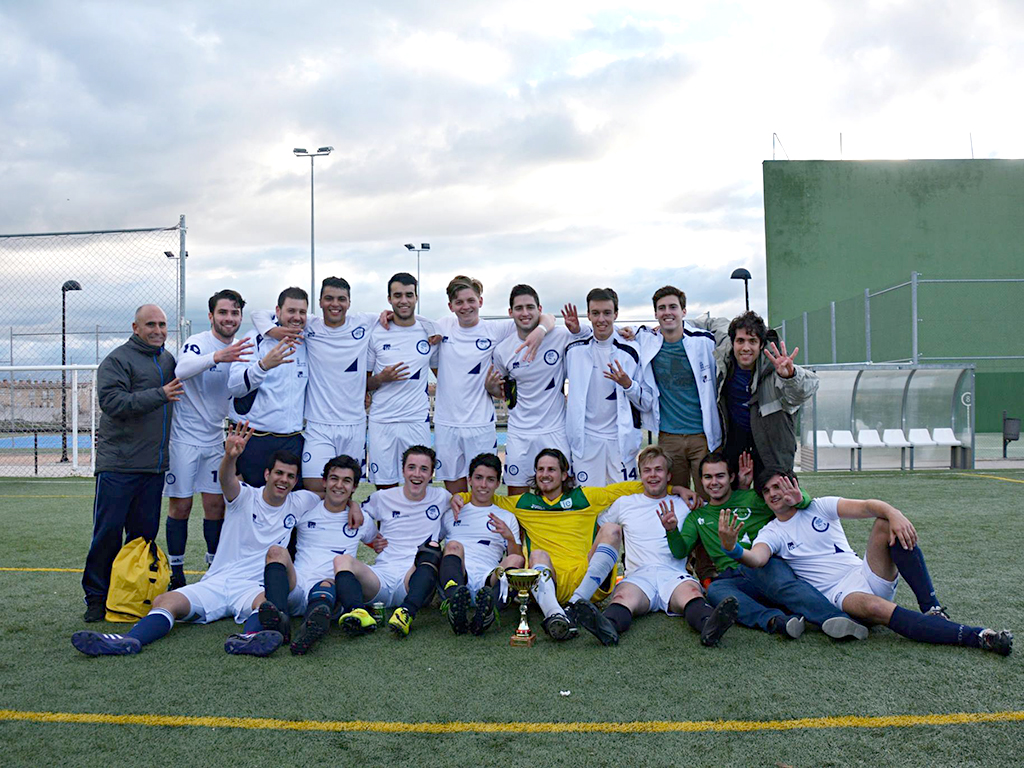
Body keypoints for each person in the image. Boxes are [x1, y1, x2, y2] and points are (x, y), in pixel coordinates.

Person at [71, 422, 321, 657]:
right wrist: (231, 456)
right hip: (217, 580)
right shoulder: (244, 496)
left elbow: (331, 499)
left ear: (295, 481)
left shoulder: (300, 502)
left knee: (266, 606)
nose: (283, 480)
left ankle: (249, 638)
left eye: (290, 476)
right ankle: (130, 640)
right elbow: (226, 479)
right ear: (267, 474)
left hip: (252, 587)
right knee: (165, 601)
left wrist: (352, 507)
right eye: (279, 473)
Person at [719, 469, 1013, 656]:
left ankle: (932, 609)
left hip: (863, 571)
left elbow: (869, 507)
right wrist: (733, 549)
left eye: (777, 486)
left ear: (792, 484)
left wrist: (894, 513)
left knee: (885, 523)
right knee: (874, 608)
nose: (773, 494)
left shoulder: (819, 505)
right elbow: (756, 558)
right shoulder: (771, 532)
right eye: (767, 491)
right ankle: (979, 636)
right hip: (840, 594)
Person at [450, 447, 698, 640]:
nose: (545, 474)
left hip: (587, 577)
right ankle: (557, 616)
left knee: (611, 530)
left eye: (551, 469)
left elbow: (629, 488)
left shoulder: (585, 497)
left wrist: (674, 488)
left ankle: (577, 603)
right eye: (540, 469)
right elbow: (486, 496)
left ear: (565, 474)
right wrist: (461, 496)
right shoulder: (523, 503)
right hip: (547, 581)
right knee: (536, 554)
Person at [660, 452, 867, 640]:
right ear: (701, 481)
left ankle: (839, 620)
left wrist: (800, 498)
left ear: (731, 477)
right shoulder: (698, 517)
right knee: (715, 590)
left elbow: (798, 499)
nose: (714, 482)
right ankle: (778, 621)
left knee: (781, 582)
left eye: (720, 476)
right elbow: (680, 551)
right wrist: (671, 530)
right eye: (708, 477)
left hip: (763, 565)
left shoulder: (753, 498)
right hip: (732, 577)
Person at [571, 447, 739, 647]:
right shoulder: (624, 503)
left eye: (658, 470)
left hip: (674, 574)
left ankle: (710, 627)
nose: (653, 475)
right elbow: (602, 529)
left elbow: (714, 508)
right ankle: (608, 627)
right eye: (647, 470)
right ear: (640, 475)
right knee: (623, 597)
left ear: (669, 475)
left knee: (692, 594)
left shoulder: (685, 503)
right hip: (639, 576)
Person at [81, 304, 182, 622]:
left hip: (153, 468)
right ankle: (96, 597)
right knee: (107, 533)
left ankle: (134, 595)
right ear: (135, 328)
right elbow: (111, 403)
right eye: (150, 324)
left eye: (163, 324)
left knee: (142, 538)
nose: (158, 330)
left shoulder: (167, 360)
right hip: (118, 467)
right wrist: (160, 394)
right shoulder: (117, 360)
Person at [251, 278, 381, 492]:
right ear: (320, 302)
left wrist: (432, 330)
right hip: (318, 425)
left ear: (349, 302)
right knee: (314, 488)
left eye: (341, 299)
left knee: (345, 490)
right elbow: (258, 314)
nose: (335, 304)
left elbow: (401, 316)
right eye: (329, 298)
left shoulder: (364, 322)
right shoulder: (309, 325)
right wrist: (272, 331)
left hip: (355, 424)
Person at [164, 289, 253, 589]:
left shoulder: (244, 347)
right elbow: (182, 369)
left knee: (216, 506)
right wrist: (217, 356)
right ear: (212, 315)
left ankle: (213, 567)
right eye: (223, 312)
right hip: (185, 439)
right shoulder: (198, 343)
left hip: (216, 437)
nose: (229, 318)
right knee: (181, 507)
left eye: (235, 313)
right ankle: (176, 571)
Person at [431, 275, 554, 493]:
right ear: (450, 306)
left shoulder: (496, 330)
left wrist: (540, 331)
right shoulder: (441, 326)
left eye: (471, 300)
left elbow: (546, 317)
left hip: (480, 425)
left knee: (483, 490)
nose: (465, 307)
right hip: (446, 424)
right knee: (456, 495)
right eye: (459, 302)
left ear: (480, 301)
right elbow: (409, 324)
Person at [251, 454, 382, 656]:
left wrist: (354, 506)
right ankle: (279, 620)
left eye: (346, 481)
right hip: (297, 584)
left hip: (330, 592)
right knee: (276, 551)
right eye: (334, 478)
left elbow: (378, 543)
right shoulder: (307, 507)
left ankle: (310, 628)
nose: (339, 485)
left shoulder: (361, 520)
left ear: (355, 487)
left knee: (327, 583)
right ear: (324, 481)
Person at [332, 446, 450, 637]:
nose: (417, 474)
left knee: (433, 547)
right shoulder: (383, 497)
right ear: (403, 470)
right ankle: (358, 612)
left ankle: (406, 613)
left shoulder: (442, 497)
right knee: (341, 560)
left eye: (424, 469)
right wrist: (353, 505)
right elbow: (360, 515)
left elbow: (464, 506)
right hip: (381, 577)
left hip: (413, 579)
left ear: (431, 475)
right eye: (411, 467)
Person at [563, 288, 652, 486]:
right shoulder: (574, 349)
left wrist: (628, 385)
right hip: (584, 443)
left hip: (620, 443)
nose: (601, 319)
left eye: (607, 313)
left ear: (616, 314)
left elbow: (647, 402)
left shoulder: (632, 350)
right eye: (595, 313)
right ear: (588, 315)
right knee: (587, 504)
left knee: (622, 503)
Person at [490, 285, 574, 494]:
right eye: (519, 308)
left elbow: (593, 333)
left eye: (530, 307)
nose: (525, 313)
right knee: (517, 497)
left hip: (555, 429)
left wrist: (542, 330)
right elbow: (500, 387)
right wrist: (490, 387)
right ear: (510, 313)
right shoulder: (503, 350)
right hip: (520, 431)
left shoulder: (560, 336)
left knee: (563, 492)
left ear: (539, 309)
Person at [718, 311, 817, 480]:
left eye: (753, 341)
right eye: (740, 341)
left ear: (762, 345)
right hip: (735, 440)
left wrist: (790, 376)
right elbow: (711, 323)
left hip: (773, 445)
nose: (746, 348)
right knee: (730, 492)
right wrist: (671, 326)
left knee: (776, 497)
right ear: (732, 343)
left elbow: (806, 389)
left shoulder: (776, 370)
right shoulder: (726, 363)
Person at [227, 287, 308, 487]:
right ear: (278, 311)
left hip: (292, 440)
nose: (297, 317)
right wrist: (263, 366)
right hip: (256, 439)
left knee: (290, 507)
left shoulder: (309, 339)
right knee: (249, 506)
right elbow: (235, 386)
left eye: (302, 312)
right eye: (291, 311)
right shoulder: (255, 338)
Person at [437, 452, 524, 635]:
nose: (483, 485)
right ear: (469, 480)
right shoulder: (453, 512)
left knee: (515, 560)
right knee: (453, 546)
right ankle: (454, 603)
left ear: (498, 484)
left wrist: (509, 537)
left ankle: (489, 610)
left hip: (489, 580)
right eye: (478, 478)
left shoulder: (506, 516)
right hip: (460, 576)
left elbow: (518, 558)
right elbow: (433, 545)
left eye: (490, 479)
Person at [365, 273, 438, 489]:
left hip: (415, 421)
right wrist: (381, 378)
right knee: (384, 488)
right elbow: (364, 384)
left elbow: (443, 376)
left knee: (418, 484)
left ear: (416, 297)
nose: (403, 301)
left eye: (409, 295)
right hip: (382, 421)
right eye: (397, 295)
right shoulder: (376, 332)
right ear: (389, 299)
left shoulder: (429, 332)